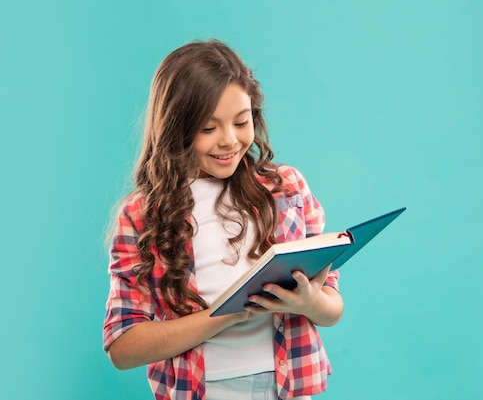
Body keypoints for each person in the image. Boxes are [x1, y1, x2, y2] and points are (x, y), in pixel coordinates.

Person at [102, 39, 344, 400]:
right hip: (202, 391)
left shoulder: (287, 189)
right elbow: (123, 347)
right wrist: (229, 313)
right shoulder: (141, 215)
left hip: (288, 389)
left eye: (241, 122)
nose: (230, 141)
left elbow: (332, 308)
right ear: (176, 129)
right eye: (208, 128)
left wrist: (308, 303)